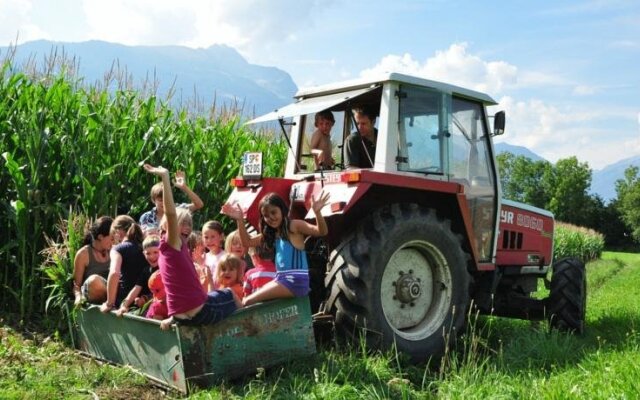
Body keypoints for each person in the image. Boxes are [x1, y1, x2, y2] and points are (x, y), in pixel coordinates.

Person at [143, 164, 240, 330]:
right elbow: (171, 213)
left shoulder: (171, 251)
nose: (187, 227)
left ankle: (175, 319)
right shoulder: (172, 242)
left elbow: (177, 286)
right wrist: (165, 177)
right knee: (231, 294)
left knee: (211, 295)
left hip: (181, 316)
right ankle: (249, 334)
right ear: (171, 226)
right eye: (183, 224)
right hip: (199, 312)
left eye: (189, 224)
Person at [222, 191, 329, 307]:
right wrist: (239, 220)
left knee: (247, 302)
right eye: (266, 216)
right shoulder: (272, 233)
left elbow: (321, 231)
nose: (271, 218)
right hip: (281, 279)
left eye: (274, 212)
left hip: (295, 281)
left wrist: (317, 212)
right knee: (249, 299)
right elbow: (247, 242)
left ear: (282, 210)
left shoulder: (294, 226)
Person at [100, 215, 148, 313]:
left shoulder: (118, 249)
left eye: (113, 237)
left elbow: (114, 273)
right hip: (145, 303)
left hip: (123, 304)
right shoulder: (146, 247)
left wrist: (109, 303)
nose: (114, 241)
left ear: (118, 232)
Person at [139, 170, 204, 230]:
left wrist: (184, 187)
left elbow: (199, 204)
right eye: (161, 200)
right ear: (153, 200)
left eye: (166, 199)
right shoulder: (146, 217)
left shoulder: (179, 210)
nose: (164, 202)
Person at [72, 216, 113, 306]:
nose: (113, 241)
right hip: (93, 293)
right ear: (101, 237)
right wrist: (78, 297)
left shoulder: (114, 250)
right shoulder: (83, 254)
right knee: (95, 281)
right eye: (111, 238)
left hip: (112, 294)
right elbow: (77, 285)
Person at [115, 235, 160, 316]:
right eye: (148, 253)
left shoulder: (165, 270)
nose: (152, 256)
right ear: (143, 254)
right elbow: (136, 288)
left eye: (155, 252)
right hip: (148, 306)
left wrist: (146, 299)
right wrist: (124, 305)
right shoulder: (146, 270)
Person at [202, 220, 226, 287]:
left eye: (213, 237)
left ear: (221, 237)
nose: (209, 241)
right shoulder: (203, 257)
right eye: (206, 237)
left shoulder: (226, 256)